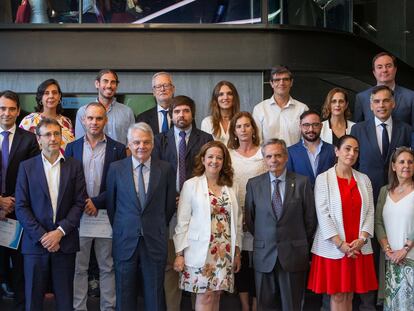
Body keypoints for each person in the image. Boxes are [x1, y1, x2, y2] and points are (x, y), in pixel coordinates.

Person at [15, 118, 87, 311]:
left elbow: (79, 203)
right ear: (38, 139)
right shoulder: (26, 167)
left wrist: (59, 232)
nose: (53, 138)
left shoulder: (75, 166)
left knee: (65, 302)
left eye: (57, 134)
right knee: (33, 302)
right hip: (34, 245)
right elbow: (21, 206)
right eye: (47, 134)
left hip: (65, 243)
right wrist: (43, 236)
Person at [106, 122, 176, 311]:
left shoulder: (166, 169)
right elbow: (112, 206)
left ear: (152, 144)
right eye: (136, 142)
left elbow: (169, 207)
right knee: (124, 293)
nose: (141, 147)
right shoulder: (115, 168)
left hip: (154, 238)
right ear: (128, 144)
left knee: (155, 293)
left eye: (146, 142)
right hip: (125, 238)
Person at [152, 95, 213, 311]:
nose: (181, 115)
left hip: (198, 211)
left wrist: (189, 196)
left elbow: (209, 172)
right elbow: (155, 175)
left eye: (186, 111)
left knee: (196, 262)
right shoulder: (159, 140)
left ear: (192, 114)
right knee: (171, 265)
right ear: (170, 115)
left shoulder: (205, 138)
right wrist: (172, 196)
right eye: (177, 111)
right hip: (169, 211)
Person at [65, 102, 126, 311]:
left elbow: (120, 185)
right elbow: (68, 182)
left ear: (105, 121)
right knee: (79, 267)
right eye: (90, 118)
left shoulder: (118, 148)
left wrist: (96, 201)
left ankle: (108, 308)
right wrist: (84, 202)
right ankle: (79, 307)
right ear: (83, 120)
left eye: (99, 118)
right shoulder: (71, 147)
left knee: (107, 266)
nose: (94, 122)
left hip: (106, 216)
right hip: (79, 216)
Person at [308, 135, 378, 311]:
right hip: (335, 247)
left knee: (350, 294)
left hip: (358, 246)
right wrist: (340, 244)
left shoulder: (364, 179)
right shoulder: (323, 179)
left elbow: (370, 211)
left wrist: (362, 239)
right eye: (347, 148)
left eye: (356, 150)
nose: (352, 153)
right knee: (338, 295)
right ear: (337, 151)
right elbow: (323, 214)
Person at [245, 138, 316, 310]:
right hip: (264, 254)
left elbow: (310, 220)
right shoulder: (254, 184)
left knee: (292, 305)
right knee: (265, 305)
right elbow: (250, 220)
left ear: (285, 157)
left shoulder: (302, 182)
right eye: (268, 156)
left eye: (277, 155)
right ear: (264, 159)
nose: (273, 160)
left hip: (293, 253)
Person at [173, 140, 243, 311]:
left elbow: (238, 222)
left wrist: (237, 252)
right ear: (203, 159)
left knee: (217, 295)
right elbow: (182, 222)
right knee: (205, 296)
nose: (214, 161)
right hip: (200, 250)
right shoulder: (191, 185)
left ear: (224, 161)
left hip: (224, 251)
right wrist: (179, 253)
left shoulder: (232, 186)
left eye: (219, 158)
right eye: (210, 156)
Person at [0, 90, 39, 310]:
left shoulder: (29, 139)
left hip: (19, 211)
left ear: (18, 111)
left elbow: (32, 178)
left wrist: (10, 203)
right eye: (2, 108)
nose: (6, 113)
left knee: (21, 268)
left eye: (11, 108)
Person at [227, 111, 266, 311]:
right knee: (240, 263)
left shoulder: (263, 153)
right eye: (239, 126)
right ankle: (244, 306)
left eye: (247, 125)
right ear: (234, 131)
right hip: (235, 214)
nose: (243, 129)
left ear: (253, 129)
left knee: (259, 263)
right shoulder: (229, 155)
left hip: (260, 216)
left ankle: (257, 305)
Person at [351, 85, 412, 204]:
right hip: (366, 194)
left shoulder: (406, 130)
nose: (381, 105)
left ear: (393, 104)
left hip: (398, 195)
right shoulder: (358, 130)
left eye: (386, 101)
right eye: (377, 101)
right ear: (371, 106)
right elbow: (353, 165)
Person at [375, 147, 414, 310]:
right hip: (390, 261)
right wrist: (388, 250)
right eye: (402, 162)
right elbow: (378, 222)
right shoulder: (385, 191)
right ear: (393, 166)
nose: (406, 165)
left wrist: (405, 249)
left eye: (411, 162)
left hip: (411, 259)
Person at [75, 69, 135, 145]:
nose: (109, 85)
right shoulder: (83, 111)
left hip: (121, 157)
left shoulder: (127, 112)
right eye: (105, 81)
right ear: (97, 84)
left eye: (113, 82)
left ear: (116, 86)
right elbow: (80, 144)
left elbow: (132, 144)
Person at [354, 52, 414, 127]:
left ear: (395, 69)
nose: (384, 70)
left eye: (388, 66)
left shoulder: (411, 97)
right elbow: (358, 131)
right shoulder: (362, 98)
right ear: (374, 72)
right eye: (379, 67)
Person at [252, 66, 308, 146]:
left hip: (295, 158)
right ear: (271, 83)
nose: (282, 83)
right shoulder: (259, 109)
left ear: (291, 82)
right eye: (277, 80)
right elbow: (257, 141)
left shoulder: (302, 109)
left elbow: (306, 141)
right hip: (267, 158)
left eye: (285, 79)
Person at [19, 78, 75, 152]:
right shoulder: (29, 120)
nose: (51, 96)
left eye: (54, 92)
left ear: (59, 96)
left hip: (64, 163)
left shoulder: (67, 122)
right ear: (40, 98)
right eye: (46, 93)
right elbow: (20, 148)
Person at [287, 110, 335, 187]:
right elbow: (289, 182)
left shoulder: (333, 150)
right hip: (301, 198)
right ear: (300, 127)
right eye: (306, 125)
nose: (311, 129)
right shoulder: (290, 152)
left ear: (321, 126)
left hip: (328, 197)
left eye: (315, 125)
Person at [201, 81, 241, 145]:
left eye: (229, 94)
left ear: (234, 98)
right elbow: (206, 149)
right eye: (221, 94)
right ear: (216, 99)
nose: (225, 97)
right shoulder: (207, 122)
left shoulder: (241, 121)